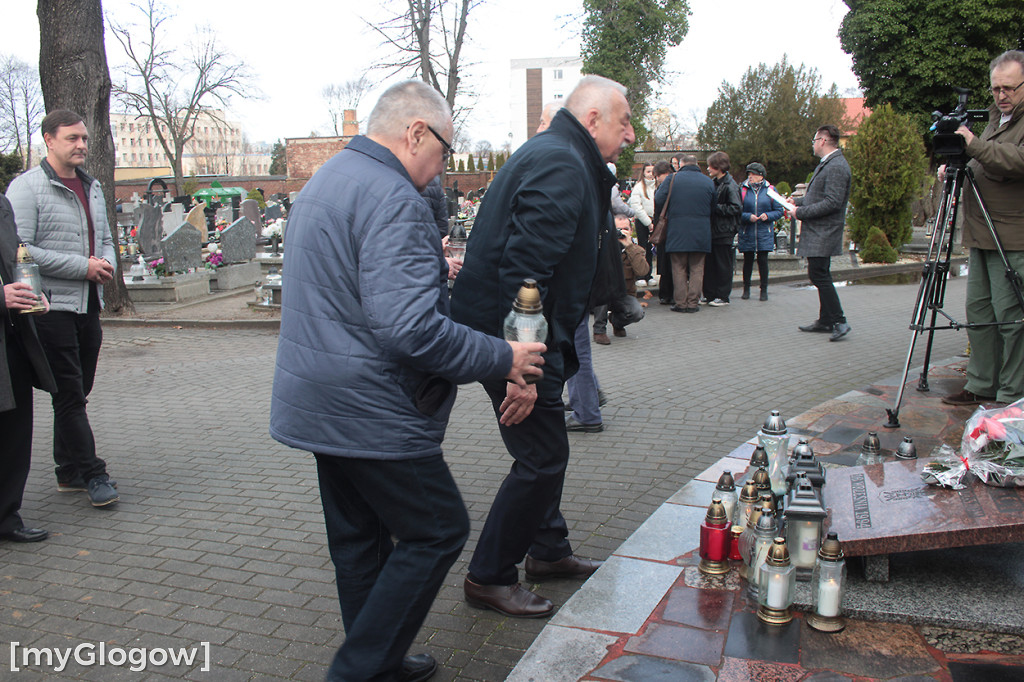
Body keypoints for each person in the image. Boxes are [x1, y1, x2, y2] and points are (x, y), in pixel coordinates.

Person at [269, 80, 546, 682]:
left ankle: (381, 664)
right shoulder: (393, 196)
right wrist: (503, 357)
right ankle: (361, 668)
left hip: (322, 397)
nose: (442, 169)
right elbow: (411, 330)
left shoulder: (331, 179)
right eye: (444, 150)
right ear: (415, 131)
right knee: (438, 528)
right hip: (371, 405)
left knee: (360, 541)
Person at [450, 74, 634, 618]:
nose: (629, 135)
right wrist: (521, 370)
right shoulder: (561, 162)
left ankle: (548, 550)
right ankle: (488, 575)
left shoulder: (560, 154)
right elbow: (526, 277)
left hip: (516, 335)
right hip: (514, 341)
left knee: (543, 447)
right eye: (623, 122)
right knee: (542, 456)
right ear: (594, 119)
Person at [6, 109, 119, 507]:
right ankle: (92, 473)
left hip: (88, 305)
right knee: (69, 393)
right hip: (49, 307)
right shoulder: (27, 188)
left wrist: (106, 264)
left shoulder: (93, 186)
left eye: (84, 138)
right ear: (49, 140)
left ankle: (67, 470)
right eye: (72, 138)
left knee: (78, 391)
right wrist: (82, 267)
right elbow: (21, 250)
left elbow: (105, 238)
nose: (82, 145)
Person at [942, 50, 1024, 406]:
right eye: (995, 89)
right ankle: (980, 384)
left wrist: (974, 146)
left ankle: (1011, 392)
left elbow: (1015, 161)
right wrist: (957, 168)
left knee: (1011, 319)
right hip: (983, 234)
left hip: (1015, 238)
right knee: (980, 313)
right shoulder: (996, 120)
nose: (1001, 95)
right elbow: (984, 161)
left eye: (1009, 88)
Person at [1, 193, 57, 543]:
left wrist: (36, 291)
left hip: (11, 338)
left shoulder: (2, 205)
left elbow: (15, 261)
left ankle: (7, 516)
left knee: (14, 433)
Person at [794, 125, 853, 341]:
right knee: (820, 273)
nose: (813, 144)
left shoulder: (836, 165)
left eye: (814, 140)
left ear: (822, 141)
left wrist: (800, 212)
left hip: (824, 230)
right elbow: (817, 196)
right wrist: (796, 202)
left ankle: (839, 320)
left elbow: (832, 202)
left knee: (819, 274)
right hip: (820, 230)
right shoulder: (830, 163)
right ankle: (827, 320)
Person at [654, 154, 714, 313]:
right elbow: (714, 206)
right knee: (697, 268)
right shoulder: (708, 181)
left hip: (677, 230)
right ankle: (693, 303)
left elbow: (659, 199)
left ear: (681, 165)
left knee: (678, 267)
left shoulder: (673, 179)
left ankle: (681, 303)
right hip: (701, 231)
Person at [738, 162, 784, 301]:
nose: (750, 176)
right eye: (749, 174)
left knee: (763, 261)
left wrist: (767, 216)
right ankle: (746, 289)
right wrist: (748, 217)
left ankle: (764, 290)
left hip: (764, 231)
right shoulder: (743, 190)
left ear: (761, 176)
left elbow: (779, 210)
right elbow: (737, 211)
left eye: (753, 174)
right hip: (748, 230)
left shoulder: (770, 190)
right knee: (747, 261)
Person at [704, 152, 742, 306]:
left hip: (724, 231)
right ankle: (710, 294)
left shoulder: (730, 185)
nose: (708, 169)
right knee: (711, 264)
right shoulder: (715, 183)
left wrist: (715, 208)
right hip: (714, 230)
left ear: (719, 167)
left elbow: (736, 207)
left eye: (711, 166)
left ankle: (723, 295)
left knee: (723, 264)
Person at [628, 162, 656, 280]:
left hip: (655, 221)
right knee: (642, 247)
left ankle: (649, 274)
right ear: (643, 172)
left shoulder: (657, 186)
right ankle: (641, 275)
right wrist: (648, 222)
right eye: (648, 171)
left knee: (652, 249)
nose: (650, 174)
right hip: (642, 221)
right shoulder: (639, 187)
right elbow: (636, 206)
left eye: (652, 171)